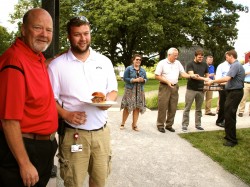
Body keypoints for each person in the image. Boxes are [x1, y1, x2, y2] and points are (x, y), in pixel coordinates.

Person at [48, 16, 118, 187]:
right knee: (74, 183)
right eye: (77, 34)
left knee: (99, 181)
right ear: (69, 37)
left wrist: (106, 102)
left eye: (86, 33)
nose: (83, 39)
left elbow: (113, 90)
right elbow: (49, 99)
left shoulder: (104, 61)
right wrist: (66, 114)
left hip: (102, 133)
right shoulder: (57, 65)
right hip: (74, 134)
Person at [0, 8, 58, 187]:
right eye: (38, 28)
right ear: (23, 30)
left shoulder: (36, 57)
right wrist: (24, 163)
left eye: (49, 30)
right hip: (25, 149)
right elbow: (9, 120)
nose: (44, 34)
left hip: (42, 148)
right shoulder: (14, 61)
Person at [154, 47, 198, 133]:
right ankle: (160, 125)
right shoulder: (162, 63)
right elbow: (157, 76)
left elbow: (182, 73)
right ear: (169, 55)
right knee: (163, 106)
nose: (176, 57)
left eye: (177, 55)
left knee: (173, 107)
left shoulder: (177, 63)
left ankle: (169, 125)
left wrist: (191, 76)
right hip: (164, 87)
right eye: (175, 55)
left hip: (174, 87)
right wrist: (167, 81)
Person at [206, 50, 244, 147]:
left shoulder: (235, 65)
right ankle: (230, 136)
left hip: (234, 93)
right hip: (234, 92)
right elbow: (229, 81)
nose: (226, 59)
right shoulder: (236, 65)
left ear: (231, 56)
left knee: (229, 115)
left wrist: (212, 81)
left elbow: (227, 78)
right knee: (229, 114)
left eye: (227, 57)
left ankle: (231, 140)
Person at [182, 49, 209, 131]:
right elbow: (192, 75)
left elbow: (207, 76)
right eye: (199, 57)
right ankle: (185, 125)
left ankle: (198, 124)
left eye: (202, 57)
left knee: (199, 109)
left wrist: (206, 85)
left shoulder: (205, 64)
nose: (200, 59)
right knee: (187, 108)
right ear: (195, 56)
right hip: (191, 89)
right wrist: (204, 78)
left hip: (201, 89)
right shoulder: (190, 64)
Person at [120, 54, 147, 131]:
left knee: (137, 108)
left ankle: (134, 125)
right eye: (137, 59)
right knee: (127, 107)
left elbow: (146, 79)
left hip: (140, 91)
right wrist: (133, 80)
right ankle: (123, 123)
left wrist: (143, 80)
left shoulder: (143, 70)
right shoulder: (129, 68)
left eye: (140, 60)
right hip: (130, 91)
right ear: (133, 60)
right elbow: (125, 78)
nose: (138, 61)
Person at [215, 60, 231, 128]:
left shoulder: (234, 65)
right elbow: (218, 78)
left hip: (232, 87)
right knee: (223, 104)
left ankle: (227, 120)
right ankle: (220, 121)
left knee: (229, 105)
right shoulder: (221, 66)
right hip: (223, 87)